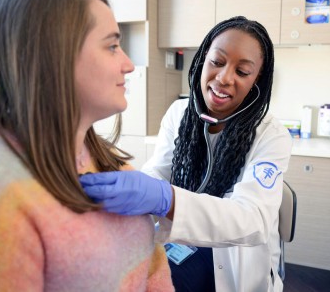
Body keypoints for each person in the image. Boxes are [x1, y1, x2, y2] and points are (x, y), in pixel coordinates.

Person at [0, 0, 174, 291]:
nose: (128, 64)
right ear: (53, 54)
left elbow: (154, 271)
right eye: (112, 46)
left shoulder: (107, 163)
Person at [81, 16, 293, 292]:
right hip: (181, 239)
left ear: (257, 81)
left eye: (242, 72)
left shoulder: (271, 136)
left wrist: (166, 198)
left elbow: (252, 219)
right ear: (203, 59)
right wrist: (136, 190)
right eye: (217, 62)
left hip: (233, 260)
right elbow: (159, 171)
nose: (224, 78)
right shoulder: (179, 114)